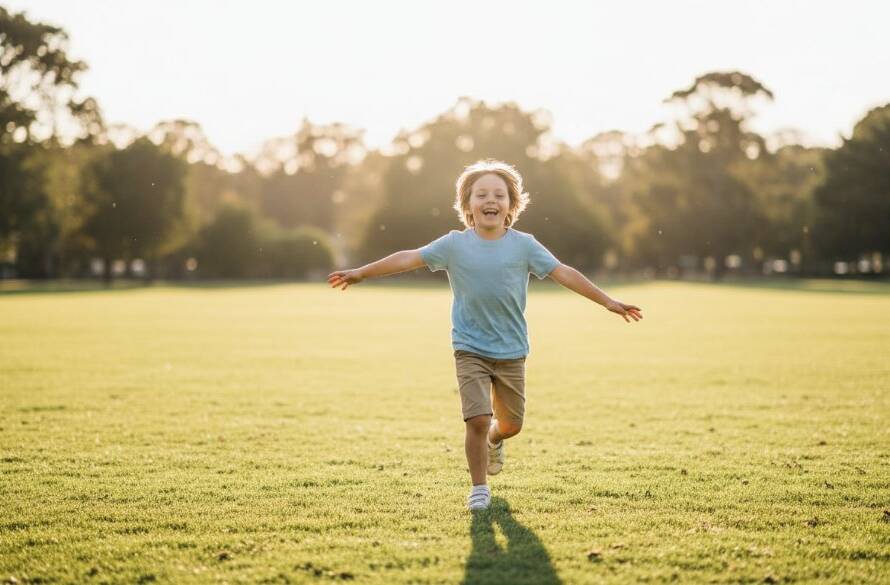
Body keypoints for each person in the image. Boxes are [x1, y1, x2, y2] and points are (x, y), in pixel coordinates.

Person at [327, 159, 643, 511]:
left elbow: (563, 272)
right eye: (481, 194)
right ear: (467, 205)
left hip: (511, 350)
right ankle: (479, 488)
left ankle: (496, 438)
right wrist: (360, 273)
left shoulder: (525, 245)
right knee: (477, 418)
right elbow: (407, 258)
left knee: (510, 424)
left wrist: (608, 301)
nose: (490, 200)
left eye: (499, 194)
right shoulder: (453, 245)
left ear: (511, 205)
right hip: (470, 347)